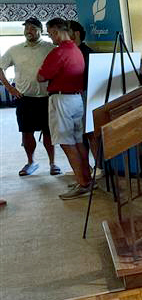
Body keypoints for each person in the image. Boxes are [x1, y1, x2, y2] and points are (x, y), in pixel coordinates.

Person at [37, 18, 92, 199]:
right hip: (76, 99)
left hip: (61, 99)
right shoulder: (76, 50)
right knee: (77, 141)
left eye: (49, 32)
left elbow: (41, 76)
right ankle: (86, 179)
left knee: (66, 142)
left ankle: (83, 184)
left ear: (55, 30)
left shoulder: (59, 52)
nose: (50, 36)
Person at [0, 17, 59, 176]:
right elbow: (0, 67)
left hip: (47, 98)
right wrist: (10, 88)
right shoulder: (14, 49)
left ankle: (53, 163)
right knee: (26, 132)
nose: (28, 31)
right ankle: (31, 161)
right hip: (24, 99)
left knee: (48, 132)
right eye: (26, 28)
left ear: (41, 30)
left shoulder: (51, 48)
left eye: (33, 28)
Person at [69, 20, 100, 167]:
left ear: (76, 33)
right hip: (71, 98)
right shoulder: (67, 52)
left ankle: (98, 167)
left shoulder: (87, 53)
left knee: (90, 133)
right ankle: (84, 168)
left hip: (86, 96)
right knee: (77, 136)